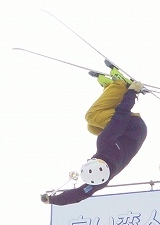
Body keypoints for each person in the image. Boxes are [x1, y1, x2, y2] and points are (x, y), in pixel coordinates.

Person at [41, 72, 147, 207]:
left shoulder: (101, 180)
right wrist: (132, 91)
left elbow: (79, 194)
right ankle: (119, 85)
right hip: (133, 126)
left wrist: (52, 200)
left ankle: (111, 91)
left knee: (92, 128)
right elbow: (121, 116)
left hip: (130, 136)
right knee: (91, 116)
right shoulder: (105, 143)